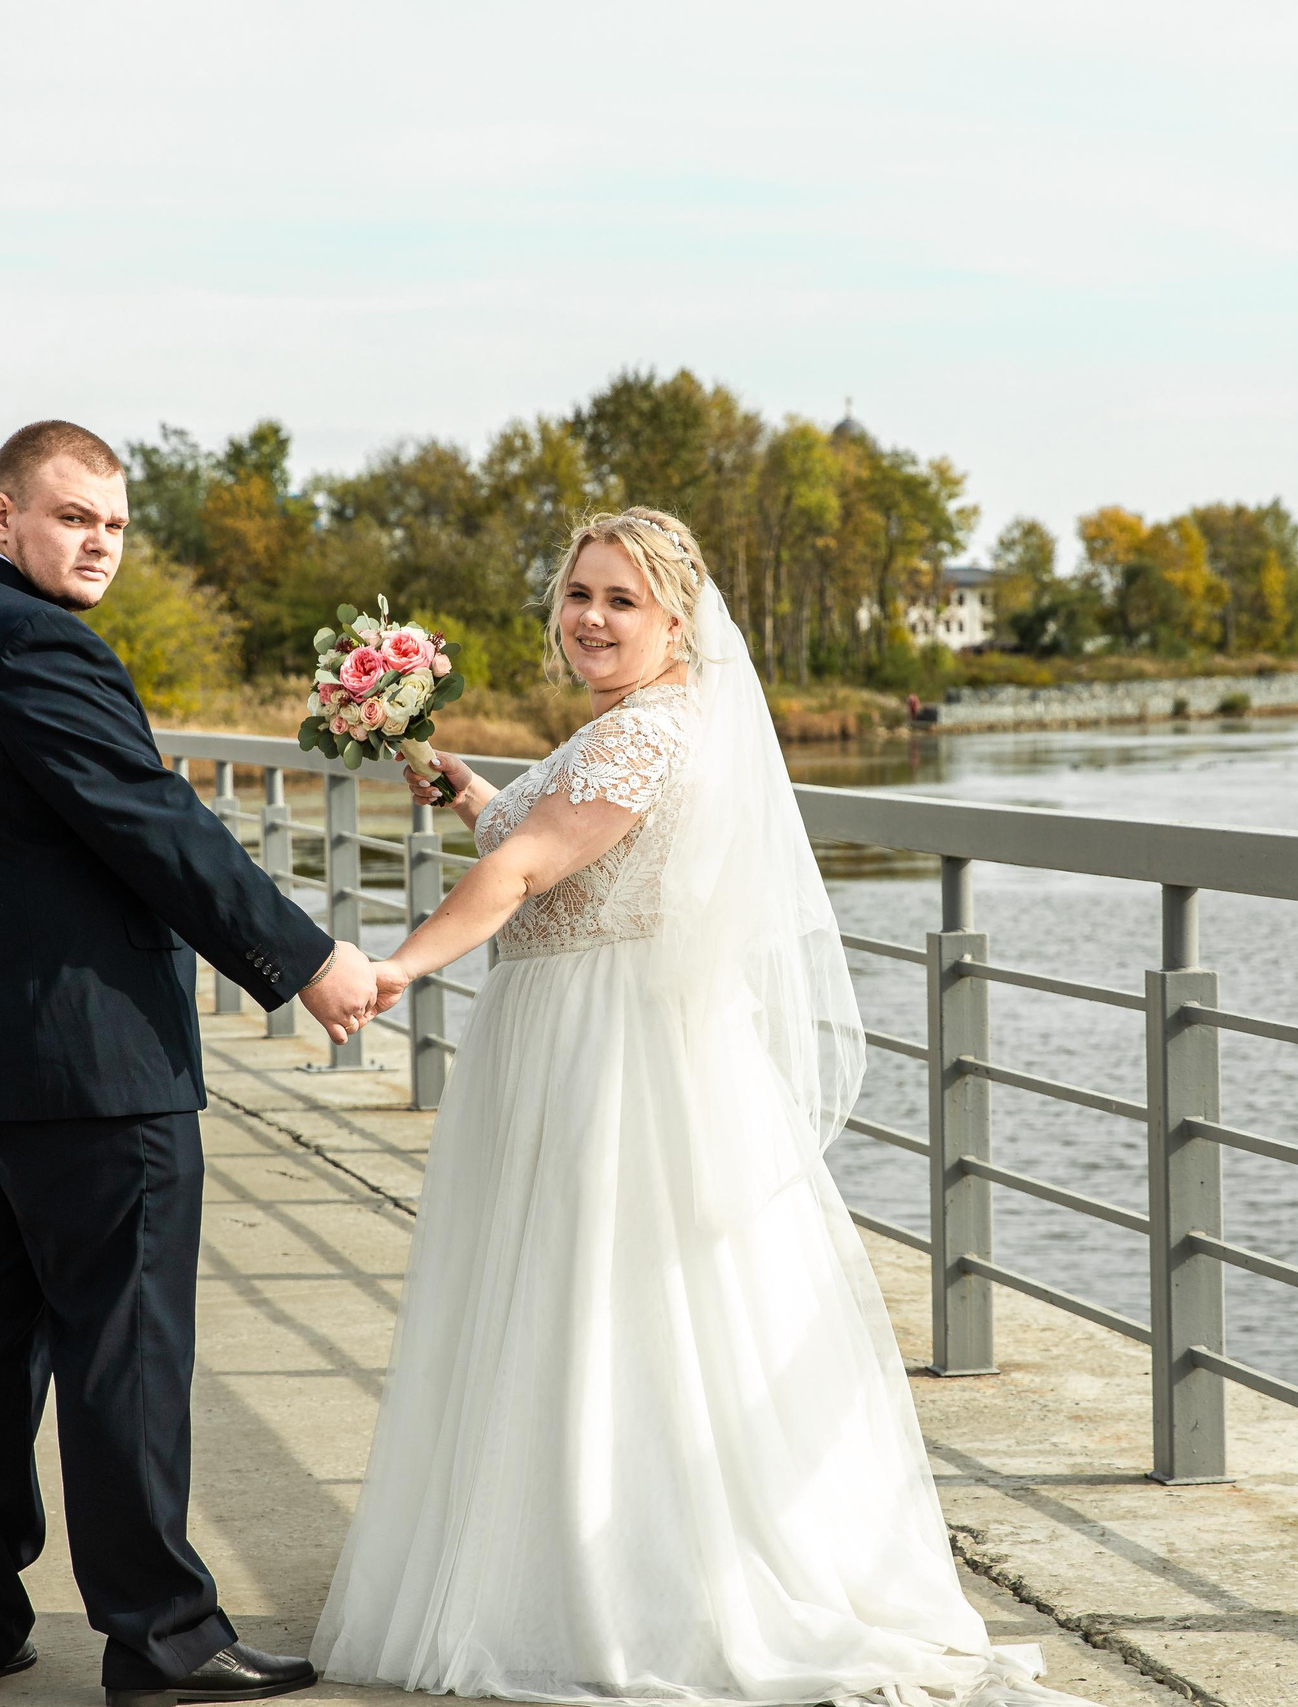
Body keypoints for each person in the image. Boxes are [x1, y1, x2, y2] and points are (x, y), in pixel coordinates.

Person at [312, 510, 1086, 1706]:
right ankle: (566, 1557)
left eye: (622, 600)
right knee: (581, 1296)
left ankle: (625, 1582)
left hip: (607, 1050)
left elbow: (527, 873)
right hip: (574, 1030)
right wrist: (465, 785)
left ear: (678, 618)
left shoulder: (650, 732)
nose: (591, 618)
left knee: (615, 1298)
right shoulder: (631, 729)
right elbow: (545, 842)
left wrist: (401, 967)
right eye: (577, 594)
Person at [0, 420, 383, 1706]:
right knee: (122, 1345)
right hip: (83, 1065)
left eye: (116, 525)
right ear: (3, 515)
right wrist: (306, 959)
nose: (98, 544)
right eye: (72, 516)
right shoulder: (39, 644)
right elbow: (154, 823)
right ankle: (161, 1636)